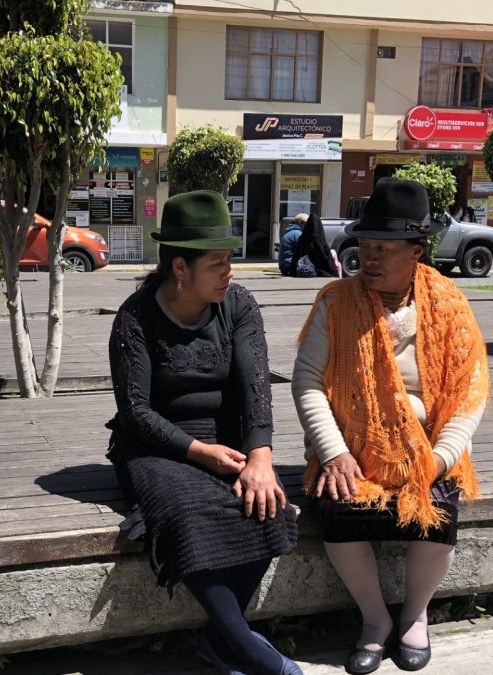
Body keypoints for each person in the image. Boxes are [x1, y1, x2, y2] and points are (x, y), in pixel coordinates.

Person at [291, 179, 490, 674]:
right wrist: (334, 451)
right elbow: (307, 380)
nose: (369, 257)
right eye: (365, 245)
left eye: (384, 247)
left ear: (417, 251)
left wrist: (441, 458)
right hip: (353, 449)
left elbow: (469, 392)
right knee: (339, 509)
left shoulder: (447, 304)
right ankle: (376, 619)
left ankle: (415, 616)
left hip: (429, 448)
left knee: (438, 511)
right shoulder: (337, 301)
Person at [107, 190, 301, 675]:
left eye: (229, 259)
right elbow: (135, 411)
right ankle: (255, 652)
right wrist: (198, 453)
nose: (228, 271)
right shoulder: (135, 318)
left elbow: (257, 386)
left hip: (228, 436)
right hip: (158, 444)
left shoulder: (238, 305)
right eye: (217, 262)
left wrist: (259, 456)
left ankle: (220, 642)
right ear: (180, 267)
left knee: (269, 503)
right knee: (186, 511)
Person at [294, 213, 341, 278]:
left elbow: (296, 255)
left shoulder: (302, 238)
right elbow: (326, 257)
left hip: (304, 270)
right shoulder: (320, 239)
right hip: (321, 271)